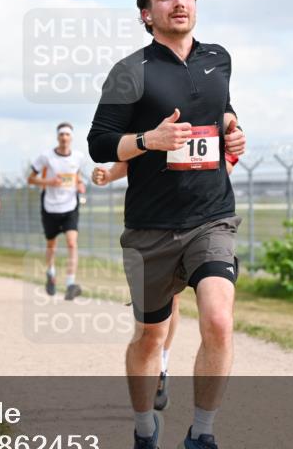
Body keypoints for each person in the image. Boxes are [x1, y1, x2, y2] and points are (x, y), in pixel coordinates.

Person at [87, 0, 247, 449]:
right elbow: (99, 142)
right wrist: (146, 142)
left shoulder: (217, 58)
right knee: (151, 334)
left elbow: (221, 110)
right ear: (146, 12)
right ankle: (143, 432)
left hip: (211, 216)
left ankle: (201, 436)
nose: (178, 3)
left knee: (219, 321)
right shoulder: (130, 70)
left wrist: (234, 130)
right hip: (152, 227)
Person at [93, 152, 239, 412]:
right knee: (160, 314)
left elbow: (226, 157)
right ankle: (156, 364)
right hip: (154, 221)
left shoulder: (215, 114)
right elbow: (130, 151)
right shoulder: (147, 113)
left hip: (198, 222)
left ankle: (162, 362)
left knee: (188, 304)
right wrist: (110, 174)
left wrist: (201, 174)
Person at [28, 122, 87, 300]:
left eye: (67, 134)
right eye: (61, 134)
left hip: (70, 206)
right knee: (51, 245)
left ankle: (70, 284)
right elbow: (30, 179)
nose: (64, 138)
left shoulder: (78, 157)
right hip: (50, 206)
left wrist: (80, 184)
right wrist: (49, 182)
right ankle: (51, 274)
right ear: (57, 137)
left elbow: (77, 175)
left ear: (71, 137)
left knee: (71, 243)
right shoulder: (46, 157)